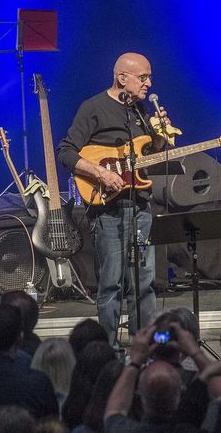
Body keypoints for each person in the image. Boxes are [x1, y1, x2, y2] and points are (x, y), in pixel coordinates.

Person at [57, 52, 171, 344]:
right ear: (123, 78)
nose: (149, 83)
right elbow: (67, 151)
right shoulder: (93, 107)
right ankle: (105, 348)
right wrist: (100, 173)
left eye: (149, 77)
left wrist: (160, 136)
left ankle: (143, 344)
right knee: (111, 284)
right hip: (108, 208)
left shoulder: (140, 111)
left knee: (143, 282)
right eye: (143, 77)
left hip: (140, 205)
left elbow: (149, 157)